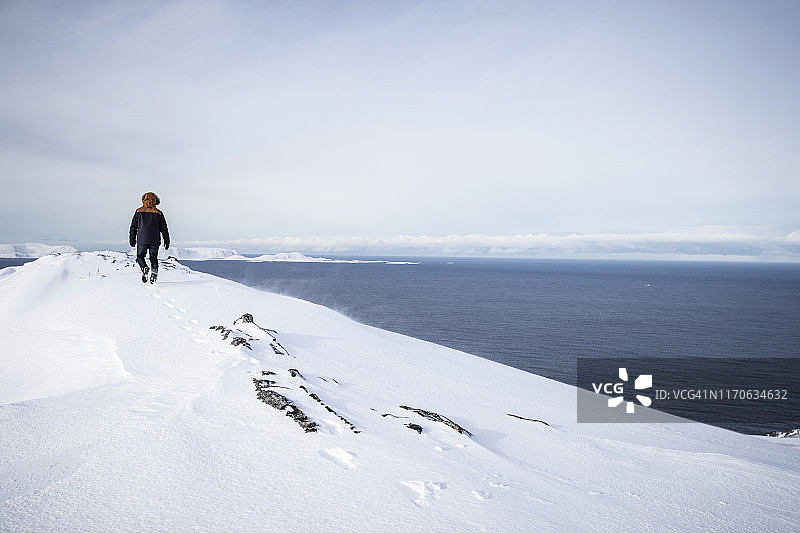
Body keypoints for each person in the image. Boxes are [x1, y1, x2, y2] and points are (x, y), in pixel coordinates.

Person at [129, 192, 170, 284]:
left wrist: (132, 239)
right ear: (155, 201)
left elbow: (133, 227)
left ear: (144, 200)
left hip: (142, 239)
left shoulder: (138, 211)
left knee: (140, 257)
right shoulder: (159, 213)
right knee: (153, 258)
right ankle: (154, 274)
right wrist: (166, 240)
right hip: (155, 240)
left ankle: (144, 267)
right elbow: (164, 229)